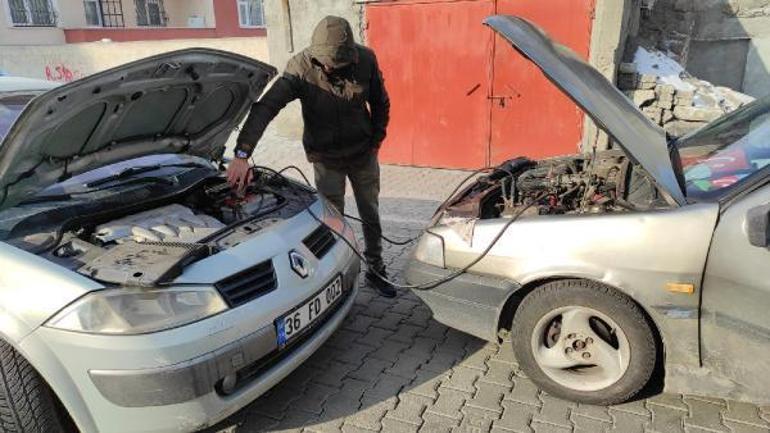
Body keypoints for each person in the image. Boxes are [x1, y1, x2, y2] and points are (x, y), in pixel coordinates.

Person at [227, 16, 395, 297]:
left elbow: (381, 103)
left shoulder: (366, 60)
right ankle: (337, 276)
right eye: (327, 63)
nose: (330, 67)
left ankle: (376, 270)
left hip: (363, 153)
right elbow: (266, 107)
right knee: (332, 221)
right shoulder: (300, 67)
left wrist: (376, 141)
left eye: (337, 64)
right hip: (326, 158)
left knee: (370, 213)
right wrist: (242, 153)